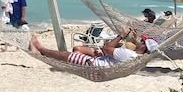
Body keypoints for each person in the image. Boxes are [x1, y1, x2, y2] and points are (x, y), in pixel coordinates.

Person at [29, 28, 158, 67]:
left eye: (142, 41)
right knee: (75, 51)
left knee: (64, 55)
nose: (140, 40)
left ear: (143, 47)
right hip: (102, 62)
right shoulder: (137, 57)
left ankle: (39, 48)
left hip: (94, 65)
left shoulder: (129, 54)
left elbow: (106, 48)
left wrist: (121, 36)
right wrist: (133, 39)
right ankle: (40, 51)